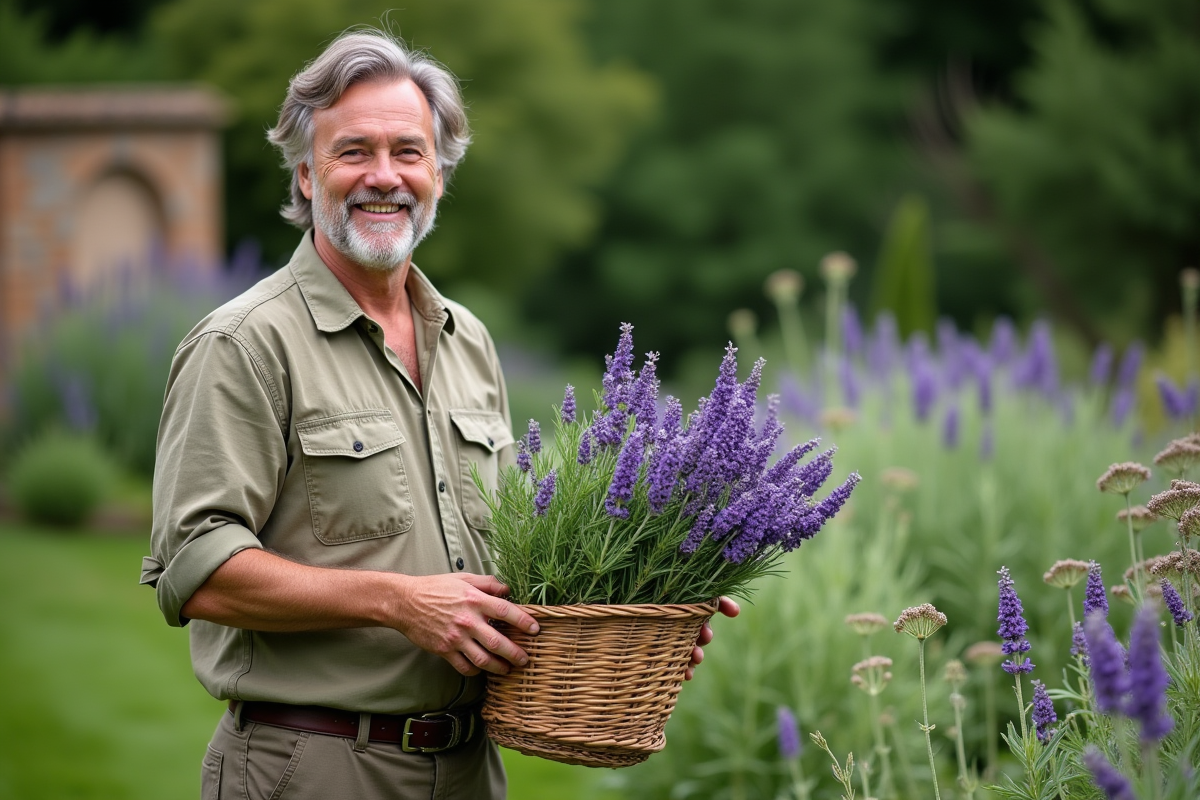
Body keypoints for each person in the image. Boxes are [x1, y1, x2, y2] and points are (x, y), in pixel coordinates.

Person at [141, 28, 735, 800]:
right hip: (316, 766)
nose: (384, 176)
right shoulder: (246, 343)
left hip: (470, 768)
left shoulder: (467, 339)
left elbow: (501, 558)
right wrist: (397, 602)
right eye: (354, 151)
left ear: (439, 176)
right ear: (306, 174)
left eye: (408, 152)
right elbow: (195, 570)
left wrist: (640, 602)